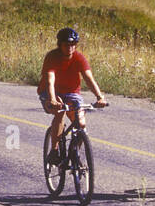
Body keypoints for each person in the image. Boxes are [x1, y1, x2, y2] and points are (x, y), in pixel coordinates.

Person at [40, 27, 107, 164]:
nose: (70, 48)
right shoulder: (52, 57)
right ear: (60, 45)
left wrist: (99, 97)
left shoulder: (79, 58)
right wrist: (52, 99)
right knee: (59, 112)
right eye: (66, 45)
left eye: (72, 45)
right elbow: (50, 80)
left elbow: (88, 78)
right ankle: (54, 150)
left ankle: (74, 152)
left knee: (81, 123)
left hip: (71, 93)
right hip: (49, 91)